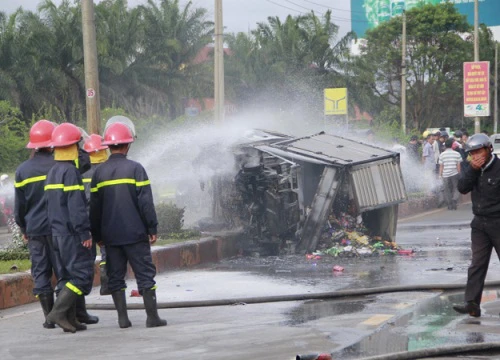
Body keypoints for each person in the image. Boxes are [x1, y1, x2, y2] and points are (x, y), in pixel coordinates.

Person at [90, 121, 167, 329]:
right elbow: (146, 203)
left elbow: (94, 209)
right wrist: (152, 228)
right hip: (135, 234)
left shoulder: (98, 174)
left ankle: (122, 319)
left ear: (108, 146)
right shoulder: (136, 169)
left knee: (115, 277)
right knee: (144, 274)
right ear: (127, 145)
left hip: (110, 237)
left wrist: (97, 234)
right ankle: (152, 318)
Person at [45, 123, 95, 333]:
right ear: (73, 147)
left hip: (56, 233)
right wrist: (84, 232)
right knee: (81, 275)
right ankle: (57, 313)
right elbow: (76, 206)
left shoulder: (53, 172)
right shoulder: (71, 173)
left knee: (65, 275)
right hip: (72, 233)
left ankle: (71, 320)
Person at [14, 120, 58, 329]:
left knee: (40, 272)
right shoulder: (61, 165)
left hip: (35, 230)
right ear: (53, 142)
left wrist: (23, 228)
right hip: (59, 229)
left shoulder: (23, 171)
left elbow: (19, 206)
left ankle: (49, 318)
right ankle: (67, 314)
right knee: (64, 270)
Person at [453, 134, 500, 317]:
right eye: (472, 153)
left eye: (479, 151)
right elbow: (462, 188)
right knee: (477, 264)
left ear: (489, 149)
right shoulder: (471, 167)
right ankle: (472, 303)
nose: (476, 156)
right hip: (479, 223)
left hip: (498, 222)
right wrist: (472, 169)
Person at [82, 134, 111, 297]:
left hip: (85, 219)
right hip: (103, 217)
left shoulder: (80, 172)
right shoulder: (106, 171)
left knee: (88, 255)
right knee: (106, 251)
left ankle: (84, 289)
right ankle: (106, 284)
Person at [438, 138, 462, 210]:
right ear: (452, 145)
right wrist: (459, 173)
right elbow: (458, 165)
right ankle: (454, 199)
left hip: (445, 175)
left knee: (447, 189)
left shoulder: (442, 155)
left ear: (445, 146)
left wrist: (440, 175)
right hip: (454, 173)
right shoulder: (457, 154)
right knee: (456, 187)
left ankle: (449, 204)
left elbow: (441, 166)